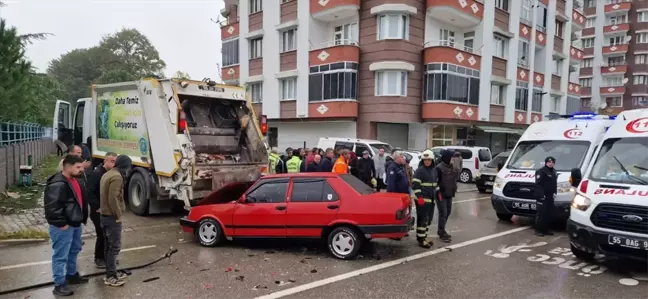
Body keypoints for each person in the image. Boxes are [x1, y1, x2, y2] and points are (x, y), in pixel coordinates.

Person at [44, 155, 89, 296]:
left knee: (74, 249)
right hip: (64, 226)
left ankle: (71, 274)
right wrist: (61, 223)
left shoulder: (76, 180)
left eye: (82, 166)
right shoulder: (58, 183)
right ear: (67, 166)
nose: (81, 170)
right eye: (78, 167)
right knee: (60, 255)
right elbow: (52, 207)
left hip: (75, 223)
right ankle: (59, 284)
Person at [100, 155, 132, 287]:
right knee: (114, 247)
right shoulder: (117, 177)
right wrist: (118, 215)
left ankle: (110, 273)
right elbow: (113, 198)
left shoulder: (108, 174)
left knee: (108, 246)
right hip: (111, 217)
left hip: (104, 216)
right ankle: (111, 277)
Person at [85, 152, 117, 268]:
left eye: (115, 162)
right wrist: (97, 206)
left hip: (106, 211)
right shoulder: (97, 174)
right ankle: (99, 258)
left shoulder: (111, 174)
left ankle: (108, 257)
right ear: (105, 161)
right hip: (98, 211)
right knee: (101, 234)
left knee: (108, 235)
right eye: (112, 161)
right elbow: (89, 192)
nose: (114, 164)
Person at [412, 150, 438, 248]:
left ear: (432, 160)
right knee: (422, 220)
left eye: (429, 160)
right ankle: (421, 239)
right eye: (425, 160)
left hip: (431, 199)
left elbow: (435, 184)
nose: (427, 161)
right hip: (422, 200)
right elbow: (415, 185)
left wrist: (438, 193)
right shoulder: (420, 170)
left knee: (428, 220)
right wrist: (419, 197)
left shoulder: (433, 170)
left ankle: (424, 237)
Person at [435, 150, 459, 243]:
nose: (453, 159)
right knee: (443, 213)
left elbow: (455, 177)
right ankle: (441, 231)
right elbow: (436, 182)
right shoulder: (439, 168)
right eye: (452, 157)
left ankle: (442, 229)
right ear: (447, 157)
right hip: (441, 194)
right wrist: (438, 190)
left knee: (448, 212)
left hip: (449, 193)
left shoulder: (452, 167)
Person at [534, 156, 558, 237]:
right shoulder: (541, 171)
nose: (551, 164)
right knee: (541, 213)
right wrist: (541, 195)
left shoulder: (554, 172)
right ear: (546, 163)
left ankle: (545, 229)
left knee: (549, 213)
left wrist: (555, 192)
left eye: (552, 162)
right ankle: (538, 230)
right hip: (542, 196)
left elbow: (555, 183)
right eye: (549, 162)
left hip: (550, 196)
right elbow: (538, 184)